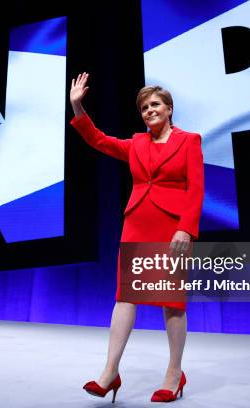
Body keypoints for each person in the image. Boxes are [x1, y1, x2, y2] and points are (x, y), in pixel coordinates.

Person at [69, 73, 204, 403]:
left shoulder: (189, 140)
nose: (149, 110)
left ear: (169, 109)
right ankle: (110, 372)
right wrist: (77, 106)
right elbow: (99, 140)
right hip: (137, 224)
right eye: (144, 107)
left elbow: (196, 189)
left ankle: (174, 374)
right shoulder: (136, 144)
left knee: (171, 302)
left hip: (172, 227)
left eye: (155, 104)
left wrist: (186, 227)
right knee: (124, 297)